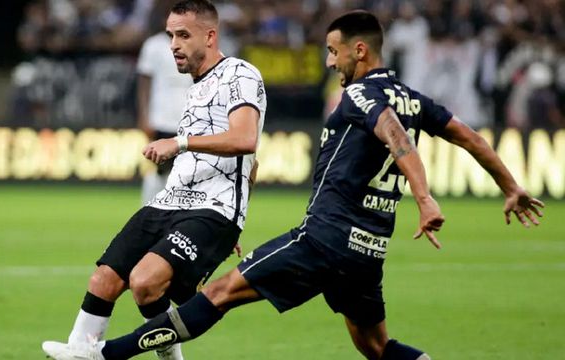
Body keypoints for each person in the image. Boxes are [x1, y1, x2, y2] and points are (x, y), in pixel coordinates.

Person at [53, 10, 545, 360]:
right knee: (375, 347)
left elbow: (394, 136)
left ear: (358, 50)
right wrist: (509, 185)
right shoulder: (414, 97)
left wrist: (424, 195)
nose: (329, 63)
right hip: (368, 248)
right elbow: (471, 136)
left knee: (220, 293)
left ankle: (105, 356)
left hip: (323, 237)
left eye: (333, 53)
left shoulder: (360, 95)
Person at [41, 1, 267, 359]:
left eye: (183, 35)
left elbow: (245, 140)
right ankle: (80, 352)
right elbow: (251, 165)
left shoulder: (240, 74)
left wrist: (179, 145)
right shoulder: (195, 88)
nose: (173, 44)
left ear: (210, 36)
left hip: (211, 208)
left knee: (145, 281)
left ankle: (95, 354)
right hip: (169, 200)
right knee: (104, 279)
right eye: (170, 36)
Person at [136, 26, 193, 205]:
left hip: (189, 117)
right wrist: (144, 115)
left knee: (188, 168)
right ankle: (148, 207)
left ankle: (175, 209)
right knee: (160, 167)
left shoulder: (194, 43)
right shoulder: (153, 45)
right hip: (162, 116)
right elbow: (144, 83)